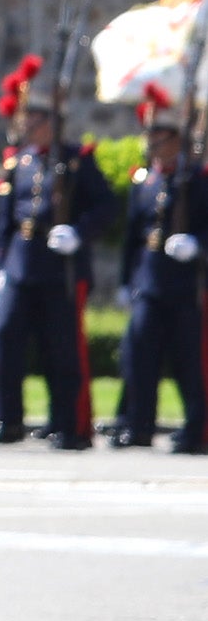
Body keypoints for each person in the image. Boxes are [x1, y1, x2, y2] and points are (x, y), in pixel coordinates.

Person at [0, 55, 108, 449]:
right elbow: (5, 221)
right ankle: (7, 420)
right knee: (4, 336)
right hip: (20, 263)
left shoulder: (76, 160)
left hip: (59, 267)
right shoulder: (19, 162)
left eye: (33, 119)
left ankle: (68, 426)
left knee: (61, 348)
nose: (26, 126)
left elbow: (105, 206)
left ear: (51, 122)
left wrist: (78, 233)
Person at [113, 91, 207, 451]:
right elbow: (132, 238)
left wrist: (197, 244)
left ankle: (197, 430)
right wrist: (126, 282)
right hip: (149, 283)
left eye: (159, 135)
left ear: (176, 139)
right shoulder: (145, 181)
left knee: (189, 361)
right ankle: (138, 425)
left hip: (186, 285)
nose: (151, 142)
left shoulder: (197, 180)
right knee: (139, 356)